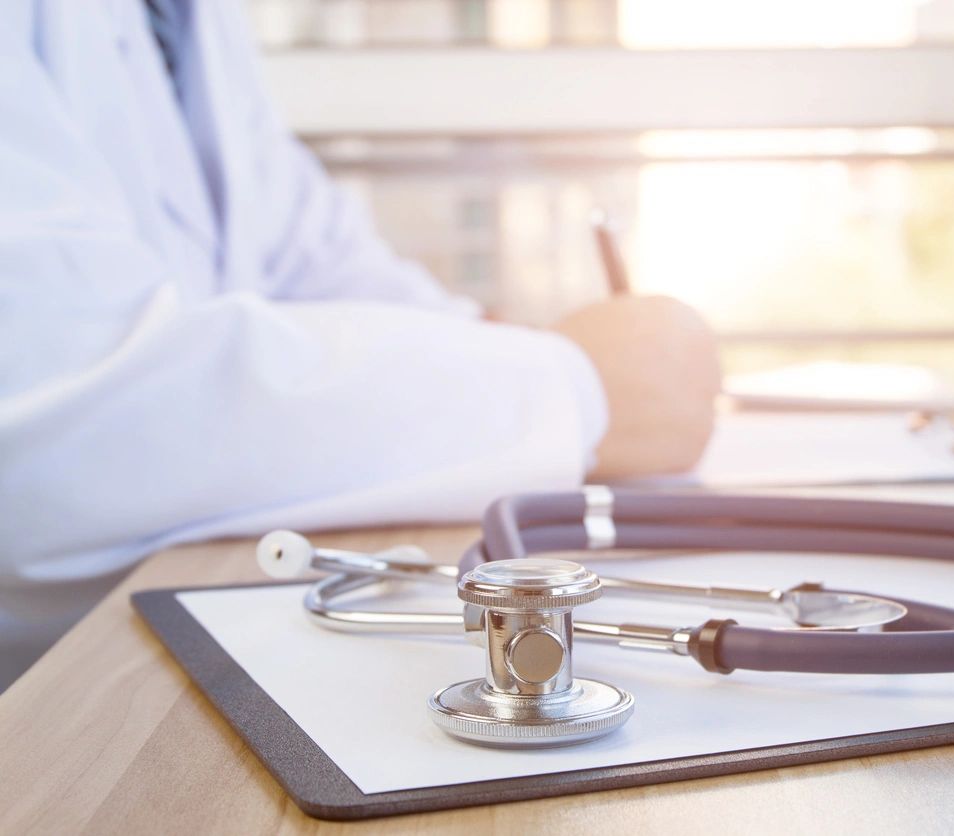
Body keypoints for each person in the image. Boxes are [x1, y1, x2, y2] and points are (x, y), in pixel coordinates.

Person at [0, 1, 722, 689]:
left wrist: (504, 347)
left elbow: (312, 261)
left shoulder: (189, 16)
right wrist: (578, 392)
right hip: (48, 703)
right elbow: (58, 430)